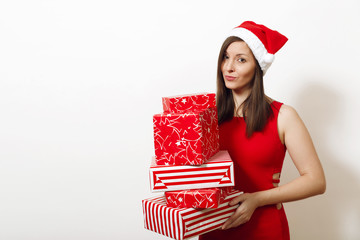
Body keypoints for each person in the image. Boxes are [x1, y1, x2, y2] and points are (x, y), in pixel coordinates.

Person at [199, 21, 326, 240]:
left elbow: (315, 180)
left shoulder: (283, 116)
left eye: (241, 60)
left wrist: (257, 199)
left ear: (258, 67)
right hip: (215, 227)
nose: (228, 67)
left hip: (263, 228)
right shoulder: (206, 116)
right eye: (226, 57)